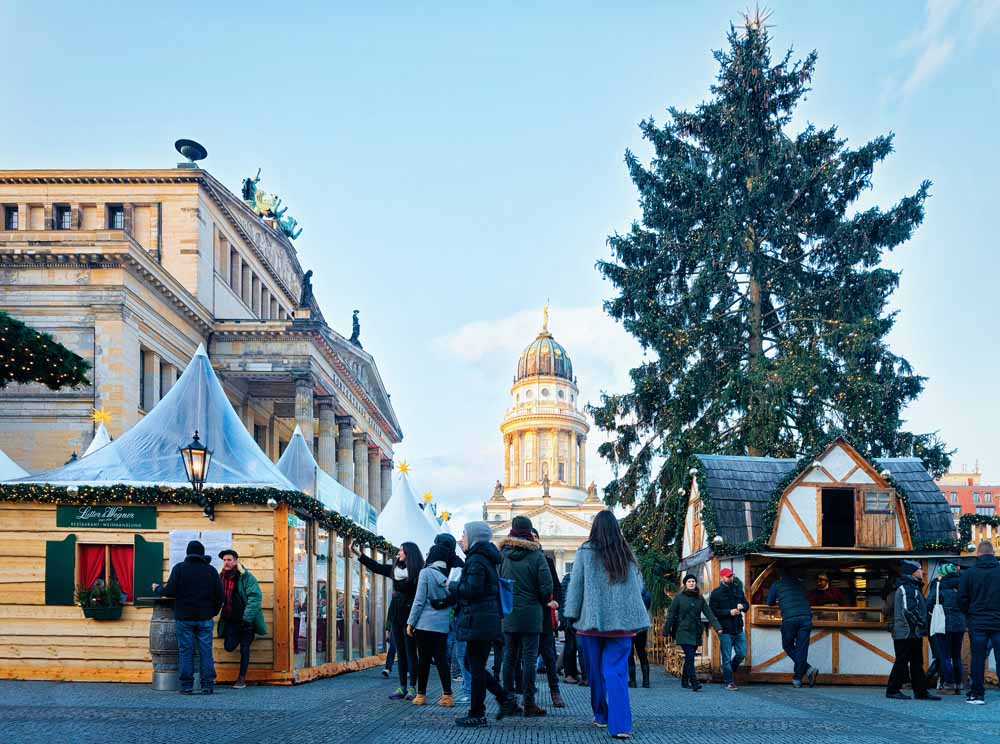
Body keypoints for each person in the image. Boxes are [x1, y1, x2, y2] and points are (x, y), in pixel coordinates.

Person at [564, 510, 650, 740]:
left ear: (594, 528)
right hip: (621, 625)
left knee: (594, 673)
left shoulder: (585, 552)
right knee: (616, 673)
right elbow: (638, 588)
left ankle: (601, 715)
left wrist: (571, 614)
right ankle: (621, 725)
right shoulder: (626, 553)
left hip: (591, 623)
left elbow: (576, 586)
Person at [443, 521, 520, 728]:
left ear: (474, 536)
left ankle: (478, 713)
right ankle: (504, 697)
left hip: (479, 619)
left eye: (464, 534)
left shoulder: (476, 559)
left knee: (475, 666)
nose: (462, 538)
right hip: (483, 618)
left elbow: (474, 590)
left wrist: (452, 586)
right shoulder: (484, 557)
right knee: (472, 664)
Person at [355, 540, 424, 700]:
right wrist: (360, 555)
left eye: (401, 551)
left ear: (409, 554)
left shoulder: (419, 572)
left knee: (411, 652)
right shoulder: (395, 570)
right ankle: (402, 687)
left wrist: (414, 620)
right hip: (396, 614)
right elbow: (377, 567)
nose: (398, 553)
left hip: (410, 615)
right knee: (400, 652)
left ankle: (413, 687)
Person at [153, 540, 222, 694]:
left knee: (186, 651)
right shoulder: (211, 571)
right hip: (205, 618)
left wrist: (157, 588)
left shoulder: (180, 569)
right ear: (202, 554)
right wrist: (213, 612)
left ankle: (186, 686)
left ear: (187, 553)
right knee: (205, 651)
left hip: (184, 618)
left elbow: (169, 590)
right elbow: (220, 596)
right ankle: (207, 685)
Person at [500, 515, 553, 717]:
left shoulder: (502, 554)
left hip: (508, 613)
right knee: (529, 659)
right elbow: (546, 586)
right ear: (530, 532)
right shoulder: (537, 555)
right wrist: (540, 599)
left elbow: (498, 582)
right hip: (532, 614)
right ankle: (529, 703)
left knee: (508, 658)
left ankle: (508, 702)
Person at [407, 542, 455, 707]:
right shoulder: (450, 574)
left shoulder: (426, 573)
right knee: (441, 659)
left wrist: (410, 622)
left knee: (424, 660)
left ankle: (421, 695)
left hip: (424, 624)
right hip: (442, 625)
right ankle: (447, 695)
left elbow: (419, 601)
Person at [886, 560, 940, 700]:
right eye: (920, 569)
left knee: (916, 662)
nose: (923, 571)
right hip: (906, 632)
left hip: (912, 632)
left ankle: (920, 692)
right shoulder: (907, 588)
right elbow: (908, 609)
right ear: (912, 572)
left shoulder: (913, 587)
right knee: (902, 661)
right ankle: (892, 690)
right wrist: (922, 623)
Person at [216, 549, 267, 689]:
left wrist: (247, 618)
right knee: (229, 646)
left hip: (245, 620)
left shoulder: (246, 577)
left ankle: (241, 678)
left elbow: (255, 597)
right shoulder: (221, 577)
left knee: (245, 648)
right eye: (224, 560)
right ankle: (240, 637)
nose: (226, 562)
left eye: (229, 560)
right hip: (230, 620)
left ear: (236, 561)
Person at [959, 540, 1000, 705]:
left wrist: (969, 614)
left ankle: (977, 694)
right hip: (998, 622)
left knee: (977, 659)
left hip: (977, 622)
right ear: (993, 553)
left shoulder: (969, 573)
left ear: (978, 554)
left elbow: (961, 599)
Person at [666, 574, 722, 692]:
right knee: (690, 656)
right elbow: (671, 614)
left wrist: (718, 627)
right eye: (689, 581)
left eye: (693, 581)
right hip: (683, 630)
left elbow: (709, 613)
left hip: (696, 631)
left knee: (689, 657)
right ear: (685, 584)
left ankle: (684, 681)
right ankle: (694, 681)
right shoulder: (679, 598)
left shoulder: (699, 598)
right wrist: (666, 630)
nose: (691, 583)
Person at [766, 568, 819, 688]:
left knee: (787, 645)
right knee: (802, 648)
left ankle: (806, 670)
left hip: (790, 618)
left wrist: (779, 600)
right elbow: (805, 597)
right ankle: (798, 677)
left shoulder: (777, 584)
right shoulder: (799, 583)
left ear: (779, 576)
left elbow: (769, 602)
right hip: (806, 617)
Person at [531, 528, 565, 707]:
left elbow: (557, 587)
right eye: (531, 537)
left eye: (536, 536)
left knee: (550, 657)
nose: (533, 539)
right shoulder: (519, 559)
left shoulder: (547, 561)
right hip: (527, 617)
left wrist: (557, 602)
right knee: (525, 659)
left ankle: (555, 691)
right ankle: (526, 693)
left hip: (544, 618)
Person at [926, 562, 965, 695]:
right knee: (957, 656)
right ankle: (959, 684)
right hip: (960, 625)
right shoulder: (962, 586)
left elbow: (929, 604)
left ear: (943, 574)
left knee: (945, 655)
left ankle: (948, 684)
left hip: (943, 625)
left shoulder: (938, 586)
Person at [709, 567, 748, 691]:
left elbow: (747, 605)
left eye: (731, 575)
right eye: (728, 576)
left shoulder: (738, 590)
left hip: (738, 628)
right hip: (725, 629)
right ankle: (729, 681)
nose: (730, 578)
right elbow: (713, 611)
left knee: (742, 653)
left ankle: (729, 669)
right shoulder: (716, 593)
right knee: (726, 657)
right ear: (722, 577)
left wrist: (743, 606)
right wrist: (729, 612)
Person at [558, 571, 583, 684]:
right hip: (573, 616)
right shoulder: (575, 578)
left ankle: (571, 673)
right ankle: (570, 674)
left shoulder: (568, 578)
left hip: (568, 616)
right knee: (573, 647)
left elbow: (562, 599)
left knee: (570, 646)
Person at [627, 582, 652, 689]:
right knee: (642, 652)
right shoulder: (645, 591)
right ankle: (646, 682)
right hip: (641, 626)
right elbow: (647, 605)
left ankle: (632, 682)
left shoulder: (626, 591)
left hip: (629, 626)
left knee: (630, 653)